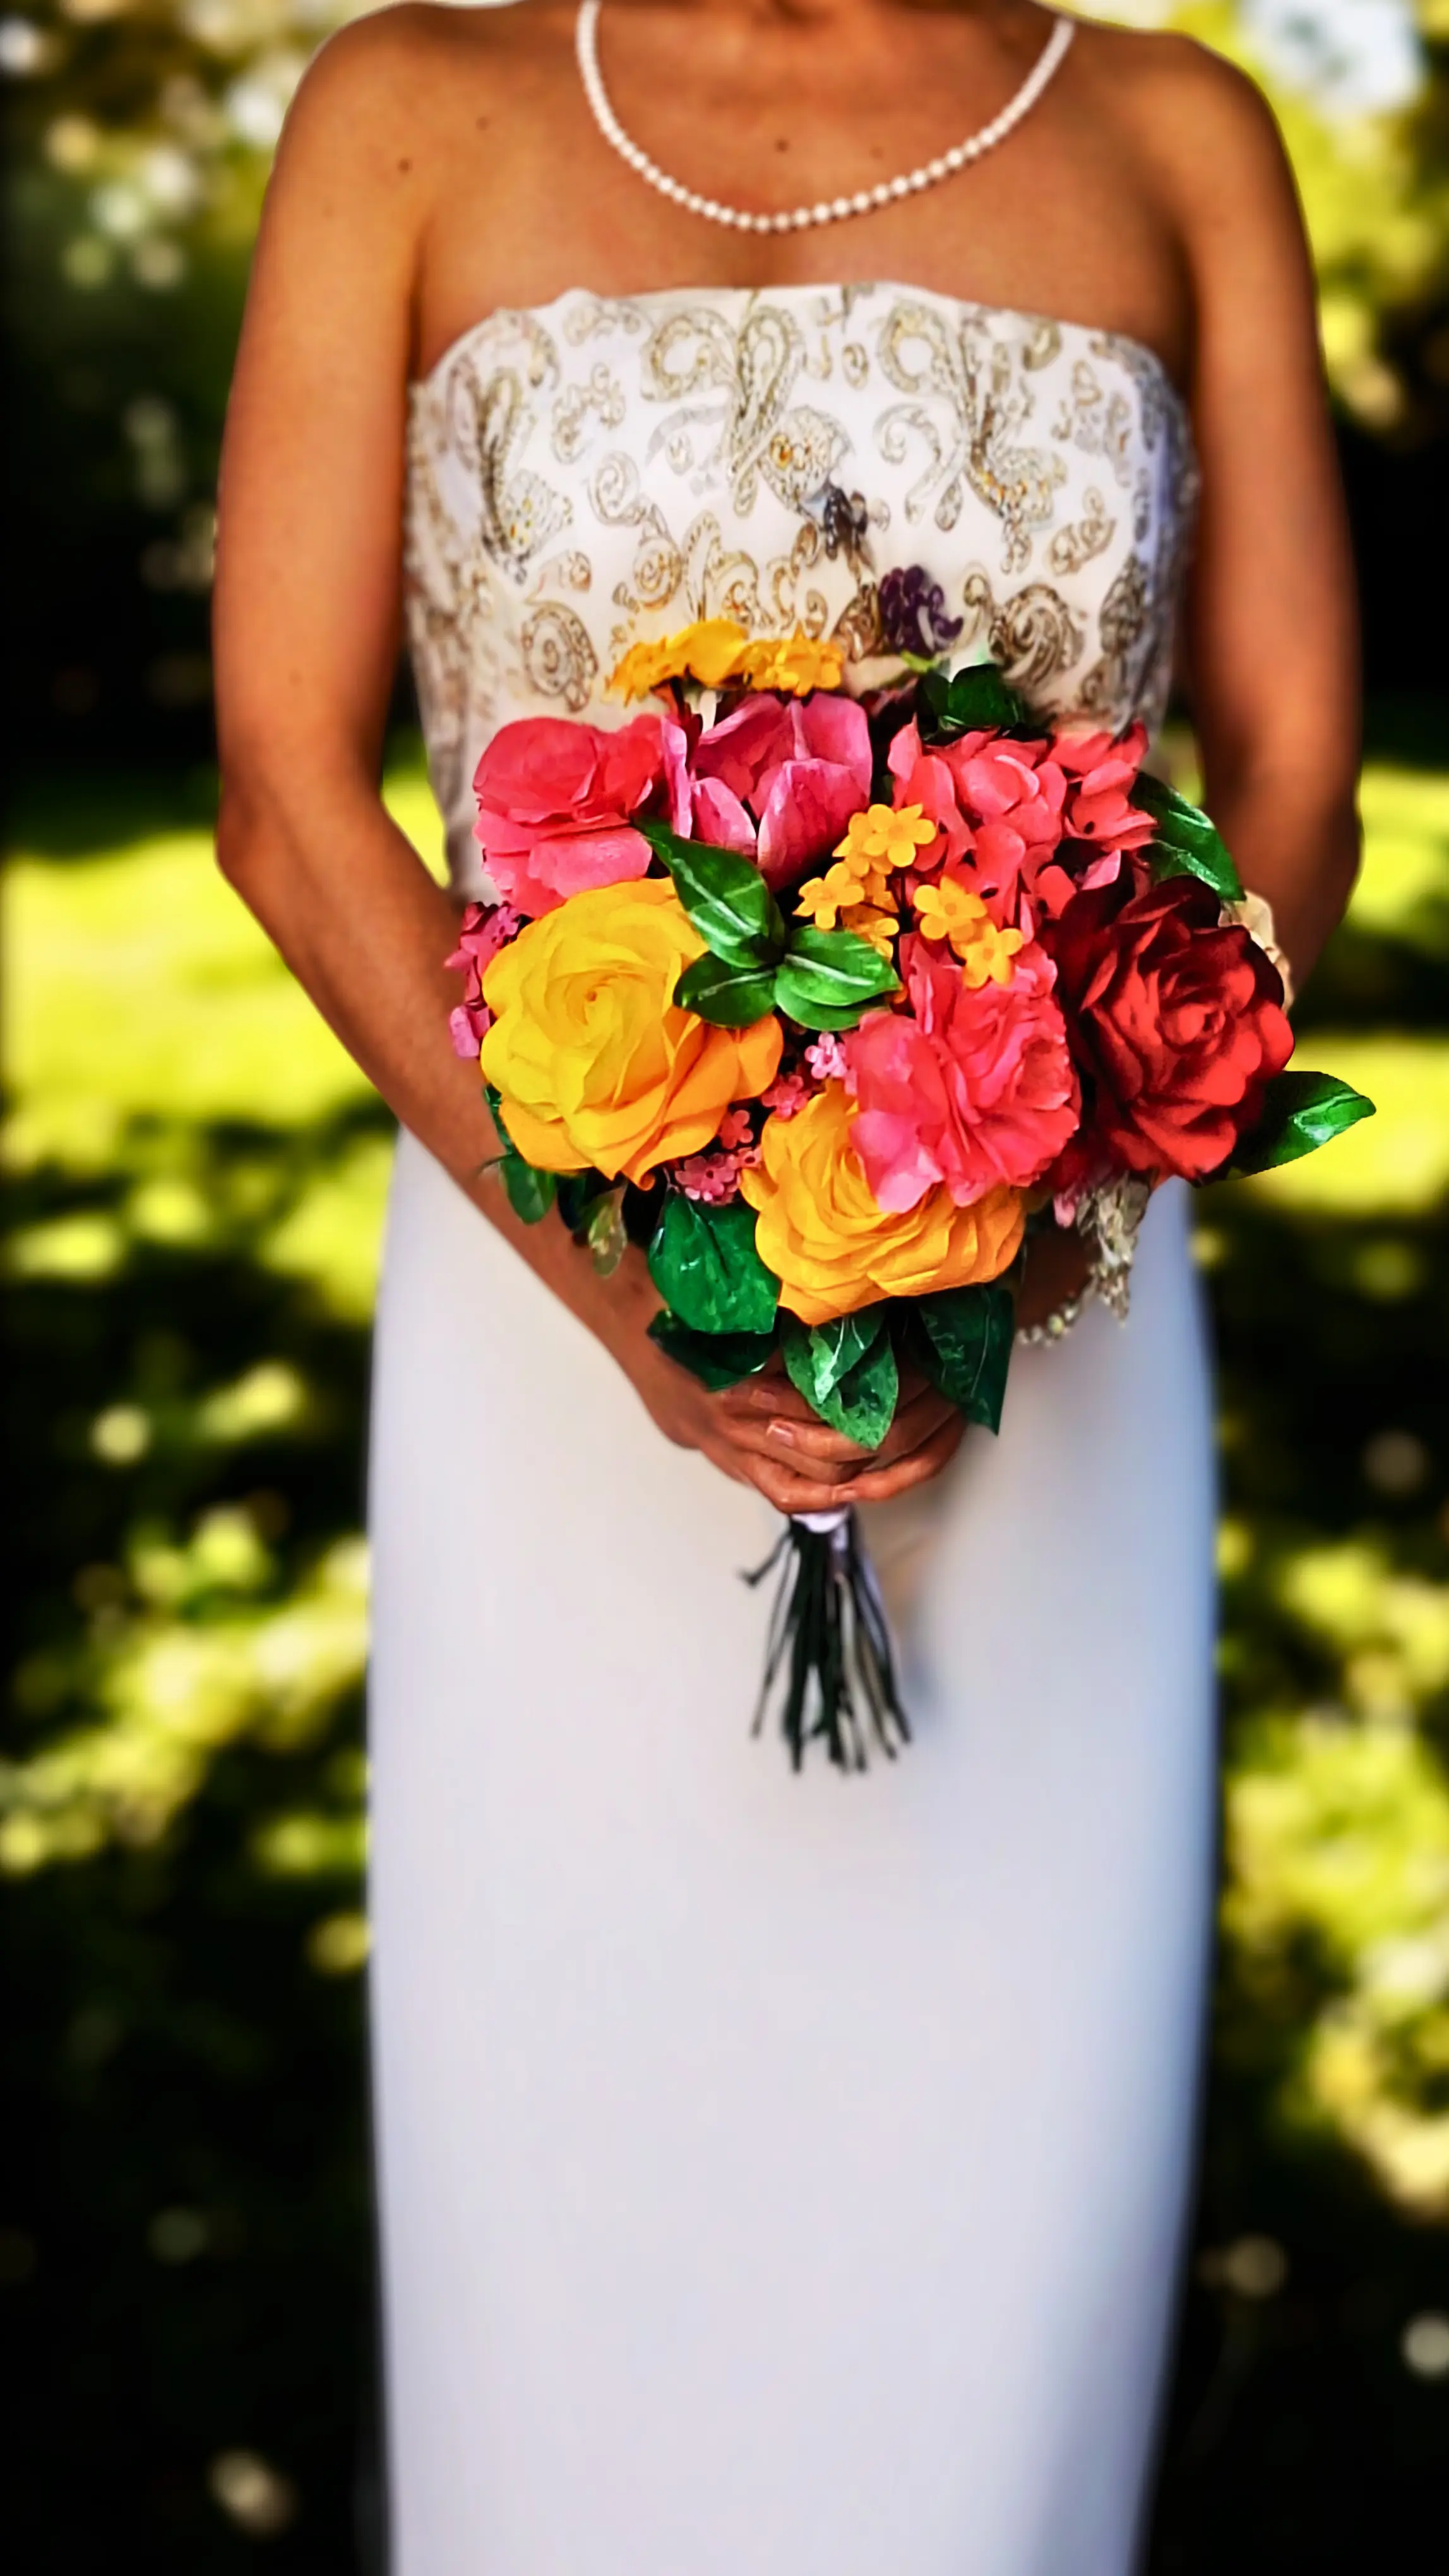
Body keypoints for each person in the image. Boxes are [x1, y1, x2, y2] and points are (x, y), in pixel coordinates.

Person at [213, 2, 1359, 2566]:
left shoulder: (1178, 130)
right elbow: (286, 789)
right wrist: (624, 1294)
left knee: (994, 2264)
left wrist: (1027, 1220)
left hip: (1048, 1345)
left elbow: (1292, 773)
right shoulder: (410, 107)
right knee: (565, 2263)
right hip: (539, 1322)